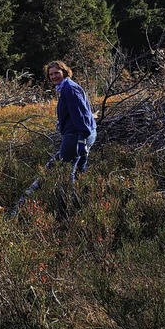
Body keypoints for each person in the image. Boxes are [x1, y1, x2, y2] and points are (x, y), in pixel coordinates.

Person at [46, 61, 97, 220]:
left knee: (66, 174)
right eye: (51, 74)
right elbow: (81, 112)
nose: (54, 76)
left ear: (65, 72)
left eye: (57, 73)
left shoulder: (69, 89)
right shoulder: (67, 87)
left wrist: (82, 138)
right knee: (80, 171)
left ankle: (66, 212)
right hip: (80, 135)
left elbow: (80, 115)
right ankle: (87, 204)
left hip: (76, 137)